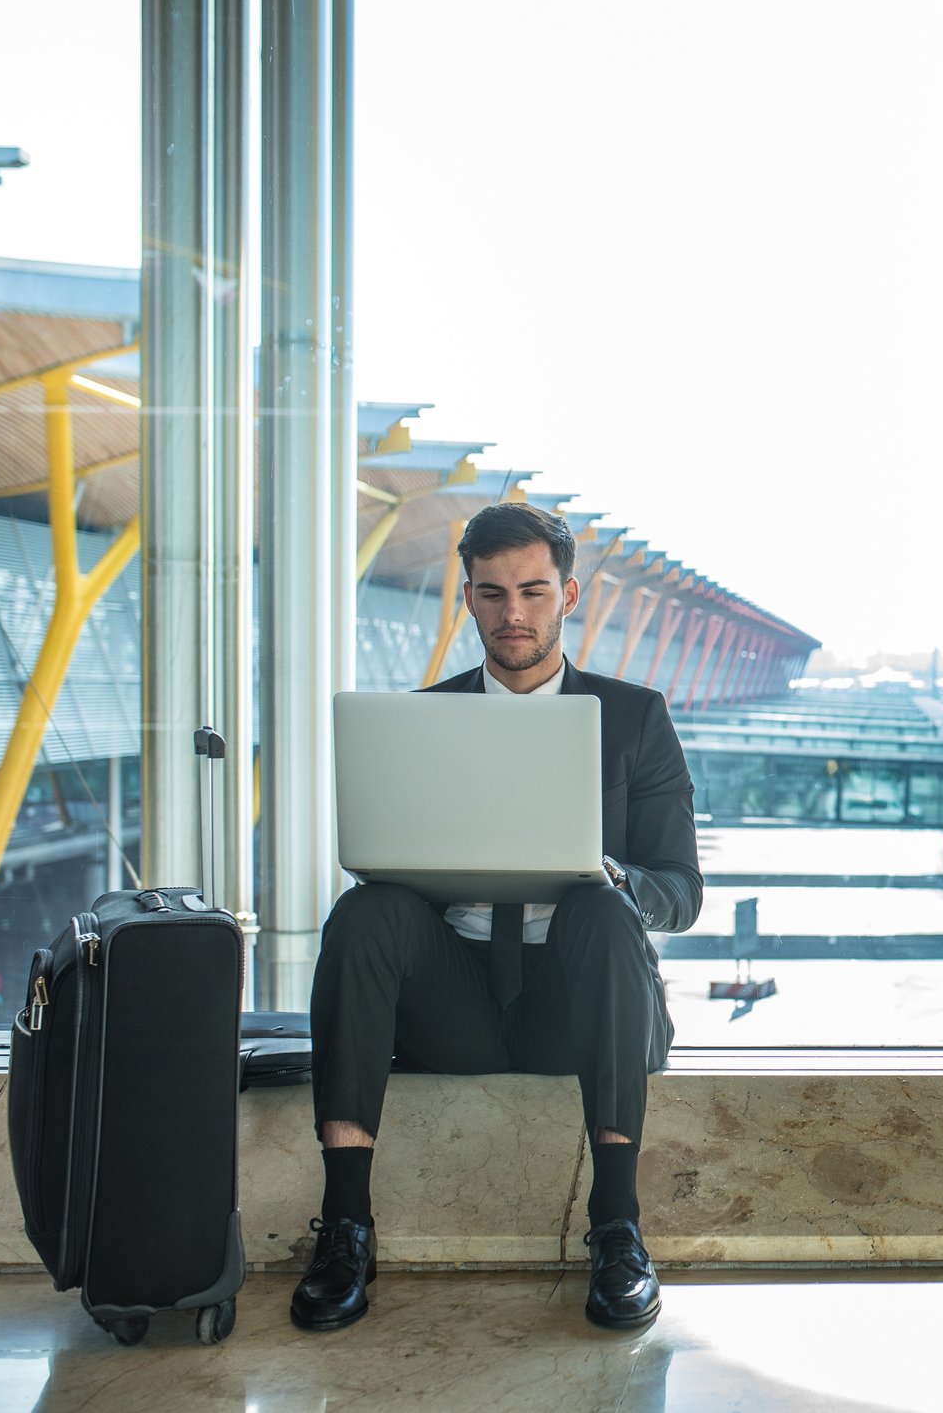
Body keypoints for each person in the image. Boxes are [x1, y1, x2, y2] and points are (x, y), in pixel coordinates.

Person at [291, 502, 702, 1334]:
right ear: (468, 600)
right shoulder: (420, 722)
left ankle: (617, 1230)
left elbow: (682, 891)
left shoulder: (633, 717)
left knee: (602, 907)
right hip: (458, 1007)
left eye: (532, 591)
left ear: (569, 594)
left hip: (579, 1007)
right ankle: (345, 1226)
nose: (512, 613)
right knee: (365, 911)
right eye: (490, 593)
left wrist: (619, 877)